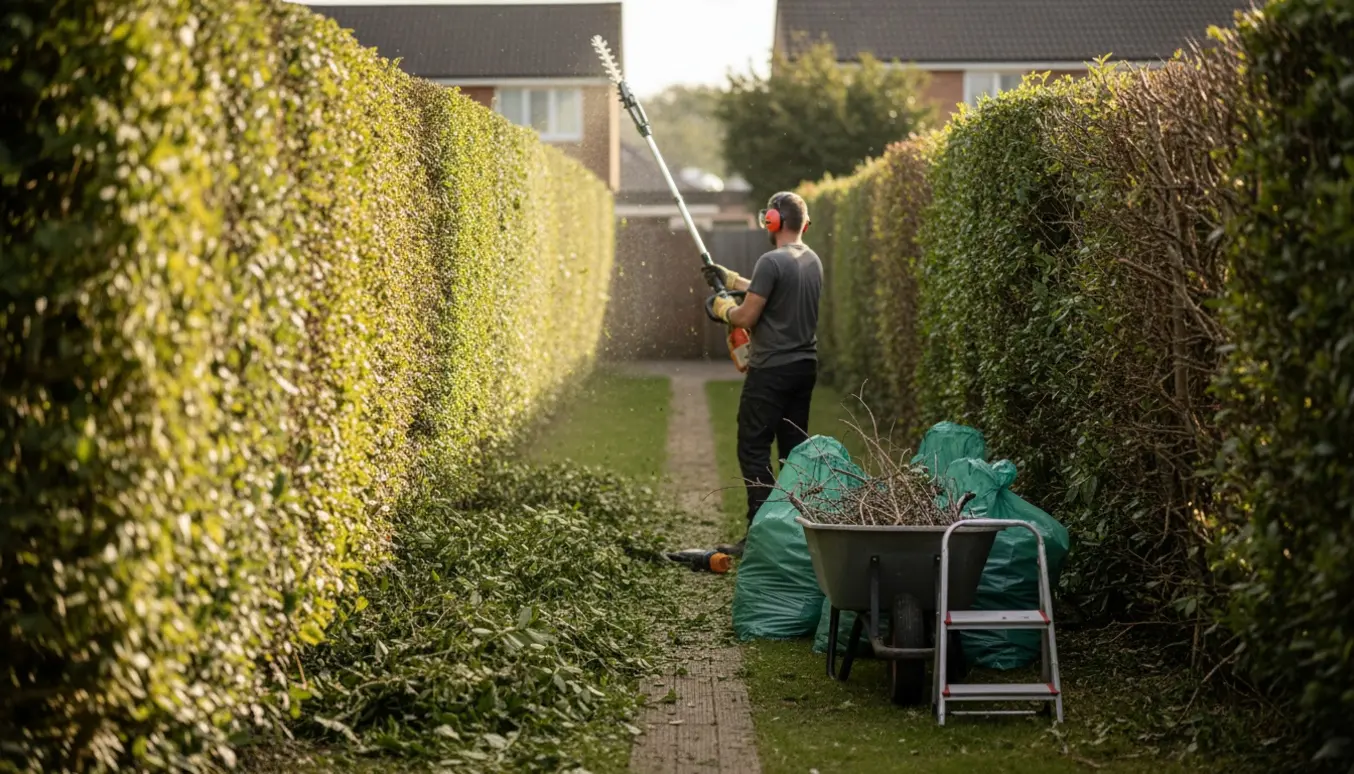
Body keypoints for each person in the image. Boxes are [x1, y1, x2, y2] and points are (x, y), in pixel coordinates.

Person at [704, 191, 822, 557]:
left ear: (770, 221)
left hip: (771, 370)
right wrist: (733, 279)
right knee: (791, 451)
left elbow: (747, 316)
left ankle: (761, 532)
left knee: (753, 448)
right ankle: (796, 529)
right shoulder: (812, 259)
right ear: (804, 223)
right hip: (804, 368)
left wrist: (722, 308)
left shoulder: (771, 260)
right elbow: (769, 288)